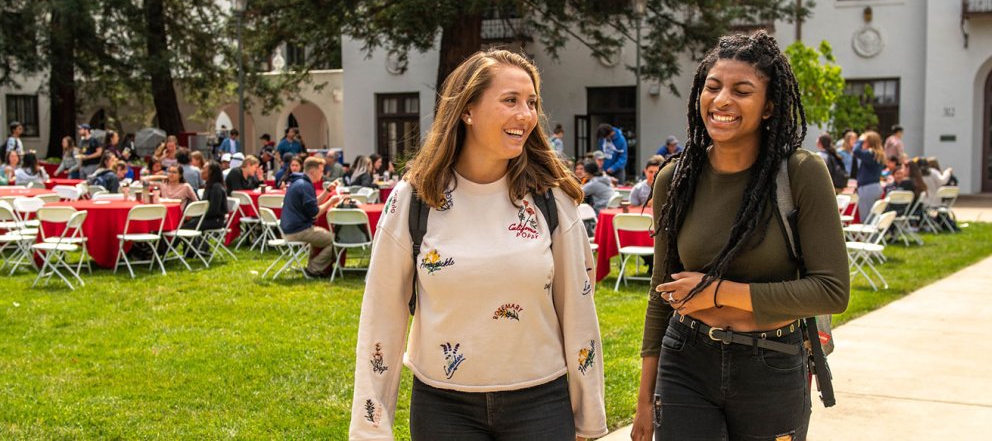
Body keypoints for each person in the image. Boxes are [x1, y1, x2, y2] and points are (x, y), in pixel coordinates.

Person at [349, 49, 607, 439]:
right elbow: (381, 315)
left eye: (532, 102)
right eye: (510, 100)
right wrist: (371, 426)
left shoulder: (549, 199)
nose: (526, 114)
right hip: (443, 407)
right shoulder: (414, 199)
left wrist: (590, 414)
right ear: (467, 109)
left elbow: (579, 308)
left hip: (540, 403)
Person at [632, 32, 849, 441]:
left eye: (741, 90)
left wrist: (718, 292)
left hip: (772, 363)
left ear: (768, 107)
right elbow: (661, 295)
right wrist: (645, 400)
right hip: (686, 360)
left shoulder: (801, 173)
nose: (722, 100)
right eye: (712, 87)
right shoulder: (674, 179)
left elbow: (831, 290)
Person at [280, 156, 346, 278]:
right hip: (297, 230)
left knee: (320, 236)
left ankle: (313, 266)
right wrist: (331, 201)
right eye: (321, 171)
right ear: (312, 171)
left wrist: (327, 191)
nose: (323, 174)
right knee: (336, 241)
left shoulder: (299, 182)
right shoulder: (305, 185)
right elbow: (315, 213)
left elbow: (312, 204)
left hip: (289, 228)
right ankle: (314, 268)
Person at [853, 131, 886, 220]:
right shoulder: (878, 154)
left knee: (866, 218)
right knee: (874, 217)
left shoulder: (871, 153)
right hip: (875, 186)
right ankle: (875, 234)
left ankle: (869, 234)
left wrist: (860, 140)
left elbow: (856, 151)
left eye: (865, 141)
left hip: (867, 188)